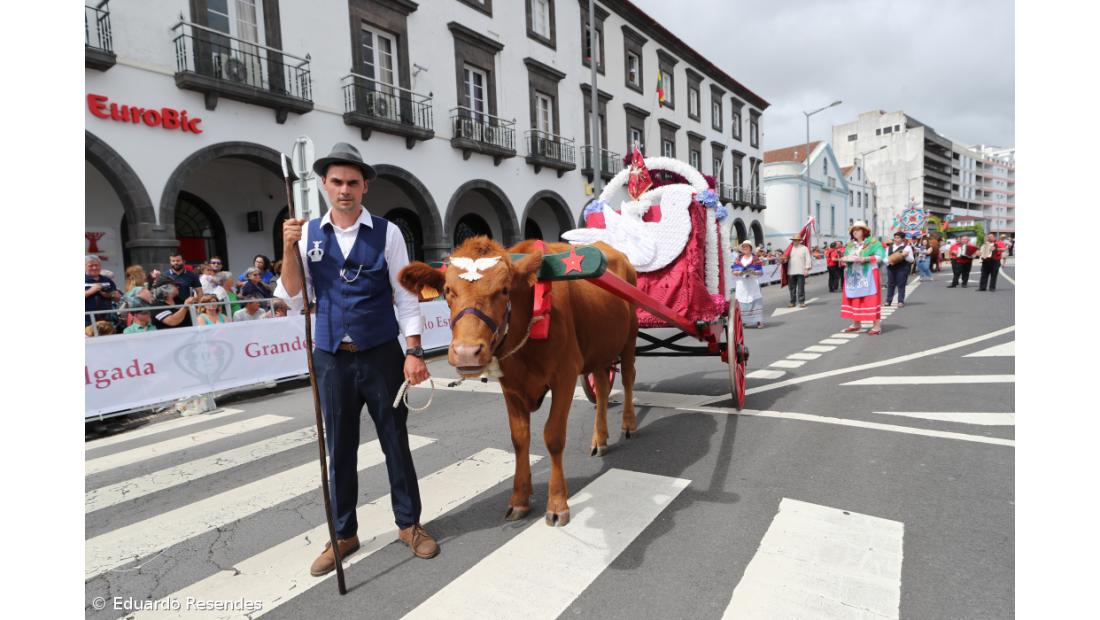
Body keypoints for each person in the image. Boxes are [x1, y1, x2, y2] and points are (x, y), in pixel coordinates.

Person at [275, 142, 437, 574]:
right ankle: (343, 534)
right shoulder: (307, 233)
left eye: (352, 182)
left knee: (395, 443)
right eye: (336, 182)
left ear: (364, 185)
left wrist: (415, 350)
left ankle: (410, 524)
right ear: (324, 185)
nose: (344, 189)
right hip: (331, 357)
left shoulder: (387, 232)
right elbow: (292, 298)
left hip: (382, 353)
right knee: (339, 449)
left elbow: (406, 296)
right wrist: (288, 250)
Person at [840, 221, 886, 335]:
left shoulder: (873, 242)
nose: (855, 232)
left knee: (870, 298)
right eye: (853, 230)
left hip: (868, 273)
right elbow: (847, 256)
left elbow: (881, 256)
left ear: (864, 231)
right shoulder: (850, 245)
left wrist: (865, 259)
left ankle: (876, 325)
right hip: (853, 275)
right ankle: (856, 323)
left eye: (858, 230)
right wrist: (845, 259)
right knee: (854, 297)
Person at [731, 241, 765, 328]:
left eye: (746, 247)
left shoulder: (755, 258)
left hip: (752, 283)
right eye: (743, 247)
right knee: (742, 301)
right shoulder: (738, 259)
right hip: (742, 284)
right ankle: (744, 321)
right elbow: (734, 271)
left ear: (750, 248)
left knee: (755, 300)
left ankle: (759, 321)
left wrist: (753, 272)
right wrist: (738, 272)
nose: (744, 248)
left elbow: (761, 272)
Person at [85, 255, 121, 327]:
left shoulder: (107, 280)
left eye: (97, 265)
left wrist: (110, 295)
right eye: (91, 266)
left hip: (107, 319)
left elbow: (117, 298)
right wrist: (91, 291)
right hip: (87, 320)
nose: (94, 268)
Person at [884, 232, 914, 307]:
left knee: (901, 284)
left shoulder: (907, 247)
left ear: (903, 239)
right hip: (891, 268)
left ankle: (900, 301)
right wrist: (889, 261)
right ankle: (888, 301)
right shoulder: (889, 247)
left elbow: (911, 260)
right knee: (890, 284)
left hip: (902, 268)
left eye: (898, 238)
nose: (896, 239)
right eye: (895, 238)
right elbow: (884, 258)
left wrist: (905, 256)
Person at [783, 233, 812, 307]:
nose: (795, 241)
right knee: (792, 288)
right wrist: (783, 260)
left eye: (797, 240)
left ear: (800, 241)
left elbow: (808, 259)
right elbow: (785, 260)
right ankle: (792, 302)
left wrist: (806, 269)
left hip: (801, 271)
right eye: (794, 240)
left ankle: (801, 302)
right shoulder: (789, 249)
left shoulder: (804, 248)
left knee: (801, 288)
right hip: (791, 271)